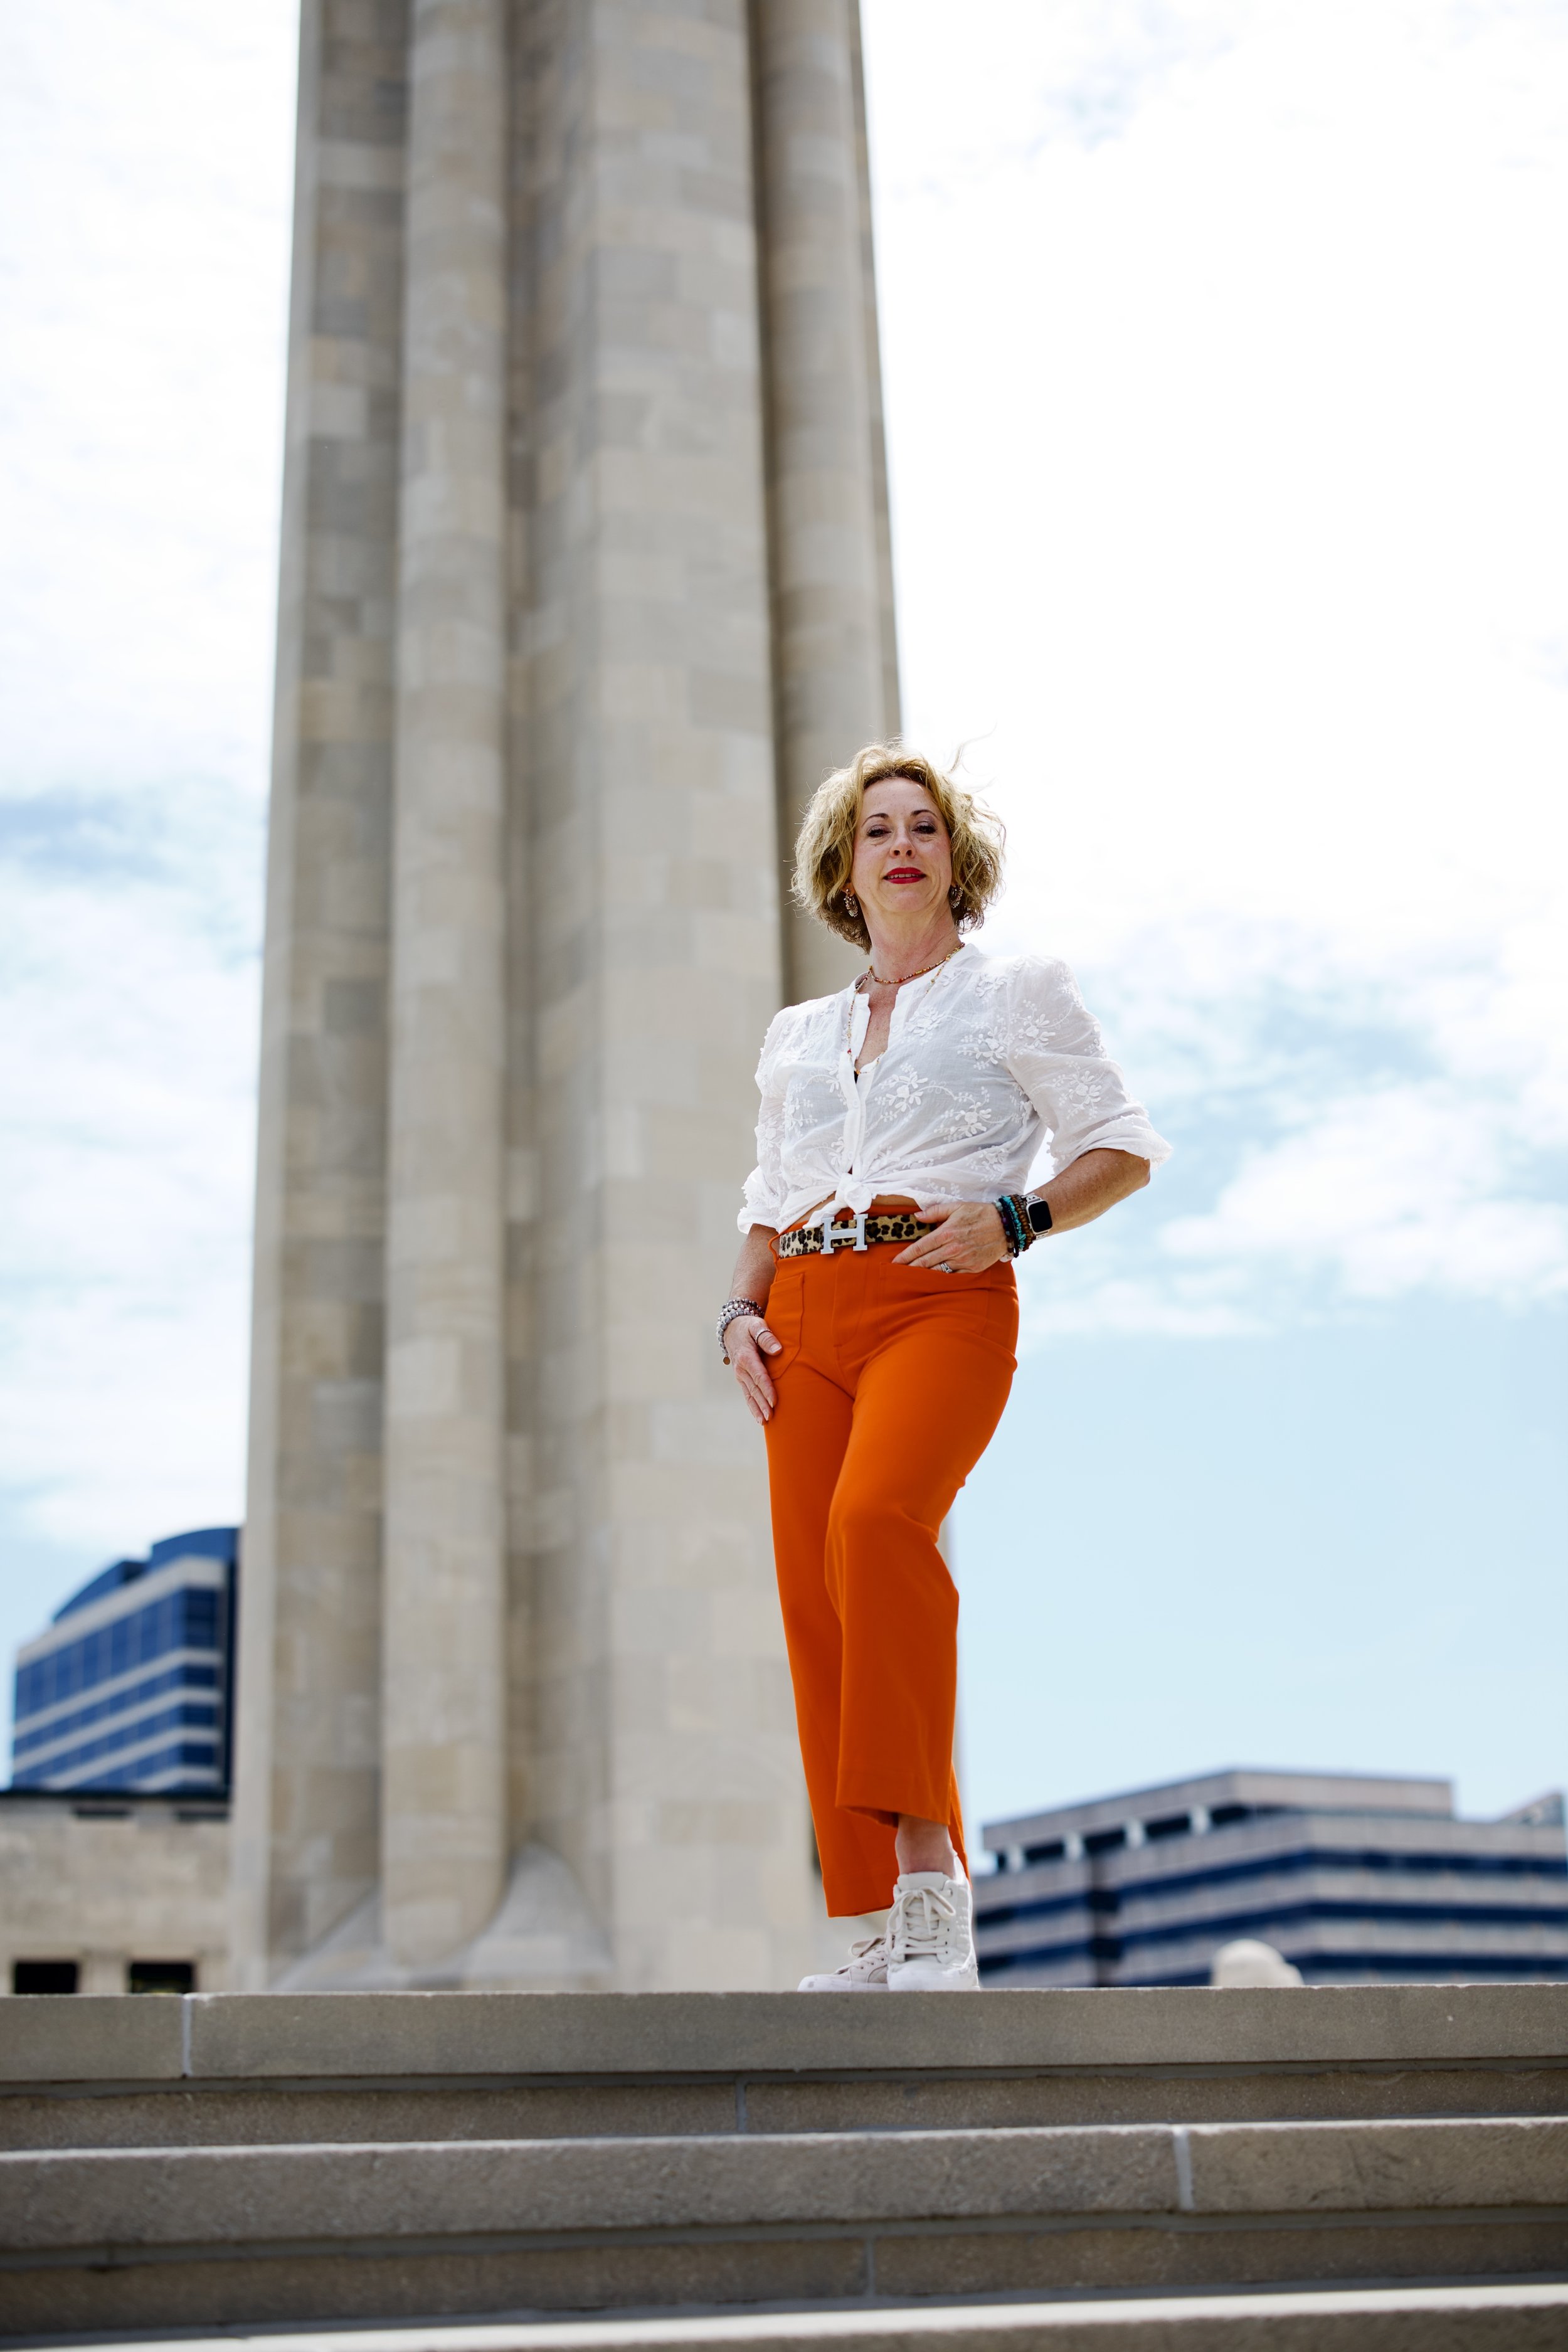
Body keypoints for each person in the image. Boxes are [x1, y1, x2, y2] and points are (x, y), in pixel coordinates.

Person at [718, 744, 1171, 1991]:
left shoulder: (1014, 992)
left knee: (876, 1530)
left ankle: (931, 1888)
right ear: (843, 867)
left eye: (923, 826)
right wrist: (734, 1311)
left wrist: (1018, 1219)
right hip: (799, 1310)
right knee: (816, 1606)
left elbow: (1119, 1147)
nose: (901, 843)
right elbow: (770, 1192)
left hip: (940, 1296)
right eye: (876, 830)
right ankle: (870, 1924)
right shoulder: (795, 1033)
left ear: (954, 861)